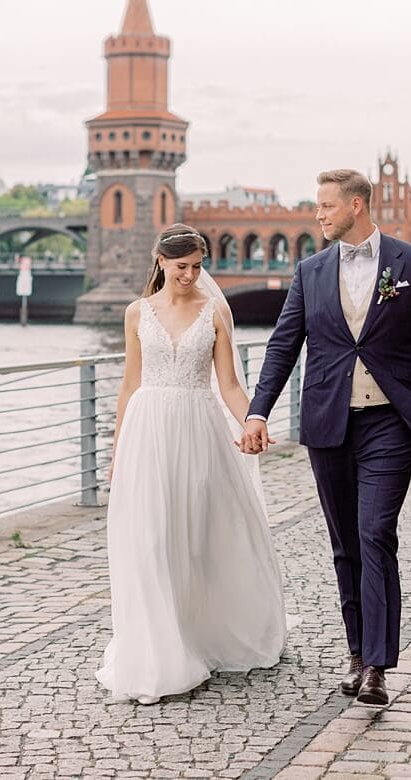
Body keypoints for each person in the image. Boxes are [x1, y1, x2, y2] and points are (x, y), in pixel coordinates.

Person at [241, 169, 411, 706]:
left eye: (325, 206)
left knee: (374, 533)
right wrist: (257, 412)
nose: (317, 215)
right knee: (345, 546)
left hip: (390, 421)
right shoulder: (309, 271)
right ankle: (358, 655)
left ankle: (379, 669)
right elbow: (282, 346)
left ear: (357, 205)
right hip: (328, 424)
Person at [96, 223, 288, 705]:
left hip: (199, 427)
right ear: (161, 262)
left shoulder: (215, 311)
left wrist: (252, 421)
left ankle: (200, 632)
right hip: (148, 431)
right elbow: (129, 385)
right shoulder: (137, 313)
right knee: (151, 538)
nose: (190, 276)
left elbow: (227, 384)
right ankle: (159, 650)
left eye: (198, 267)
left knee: (199, 534)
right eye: (182, 267)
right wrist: (117, 453)